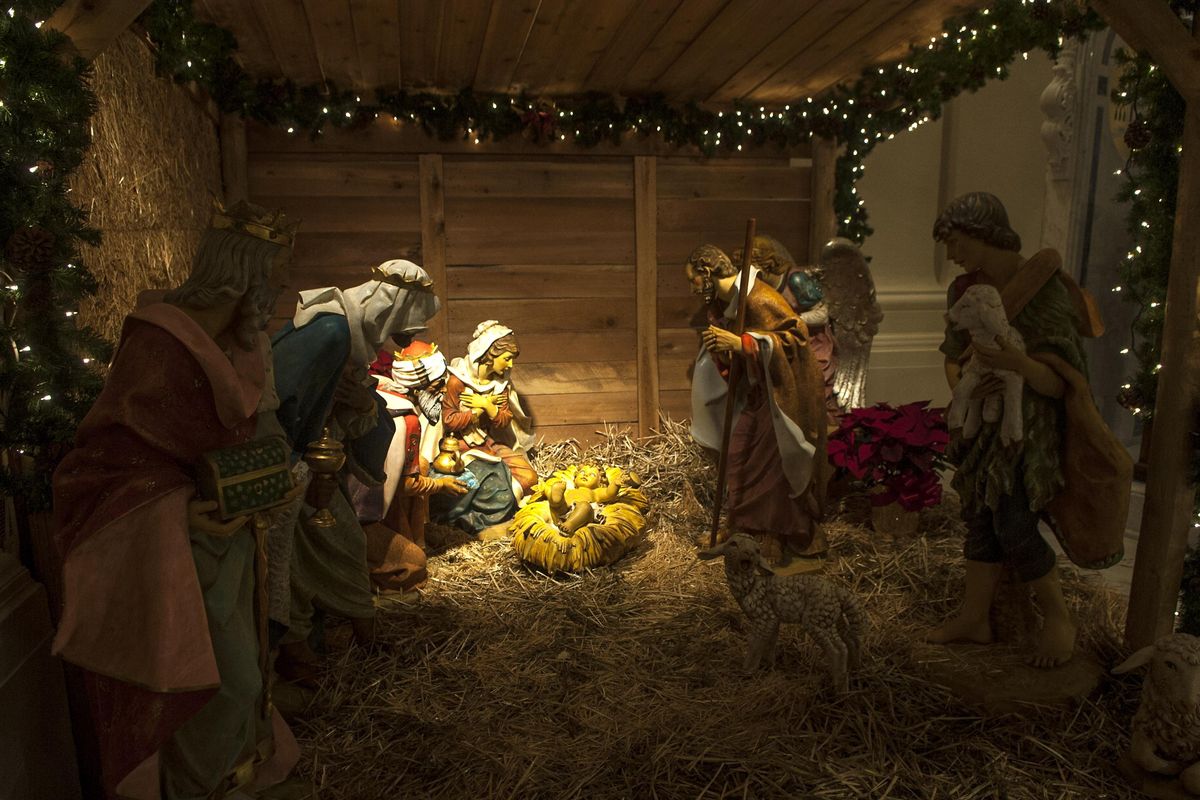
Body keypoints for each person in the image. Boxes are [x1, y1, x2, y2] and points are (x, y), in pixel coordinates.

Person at [51, 200, 301, 799]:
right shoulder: (160, 344)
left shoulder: (237, 343)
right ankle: (199, 788)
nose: (283, 287)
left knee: (244, 670)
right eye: (276, 274)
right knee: (219, 680)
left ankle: (235, 774)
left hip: (227, 540)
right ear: (245, 275)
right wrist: (179, 513)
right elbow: (109, 459)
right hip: (171, 550)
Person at [926, 191, 1084, 668]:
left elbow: (1063, 381)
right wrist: (968, 389)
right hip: (980, 431)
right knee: (978, 517)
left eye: (957, 242)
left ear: (982, 235)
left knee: (1014, 523)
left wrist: (1017, 364)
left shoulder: (1044, 290)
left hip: (1025, 431)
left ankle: (1058, 618)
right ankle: (975, 617)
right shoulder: (963, 292)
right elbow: (955, 359)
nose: (952, 255)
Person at [270, 260, 440, 680]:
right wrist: (301, 467)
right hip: (293, 469)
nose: (403, 343)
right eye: (403, 328)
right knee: (295, 561)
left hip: (319, 466)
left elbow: (357, 408)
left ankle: (360, 635)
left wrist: (361, 404)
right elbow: (287, 400)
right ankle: (303, 655)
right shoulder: (331, 332)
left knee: (338, 546)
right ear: (389, 308)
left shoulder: (350, 335)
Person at [685, 244, 828, 566]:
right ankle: (743, 525)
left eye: (692, 279)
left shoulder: (759, 298)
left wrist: (742, 342)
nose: (691, 288)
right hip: (759, 396)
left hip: (782, 398)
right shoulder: (730, 305)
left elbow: (796, 338)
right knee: (740, 459)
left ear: (707, 274)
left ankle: (775, 534)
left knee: (774, 470)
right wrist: (723, 348)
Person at [364, 340, 467, 591]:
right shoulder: (408, 419)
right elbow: (407, 485)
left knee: (420, 463)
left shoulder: (385, 390)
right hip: (365, 506)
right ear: (420, 386)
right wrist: (441, 484)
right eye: (436, 386)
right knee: (414, 566)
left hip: (378, 484)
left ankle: (413, 536)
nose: (442, 393)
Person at [433, 320, 537, 534]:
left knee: (529, 478)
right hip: (462, 447)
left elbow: (504, 420)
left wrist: (489, 407)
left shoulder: (500, 384)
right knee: (483, 486)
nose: (510, 366)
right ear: (490, 355)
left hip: (488, 443)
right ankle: (468, 520)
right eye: (507, 359)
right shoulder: (457, 381)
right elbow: (450, 420)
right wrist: (476, 412)